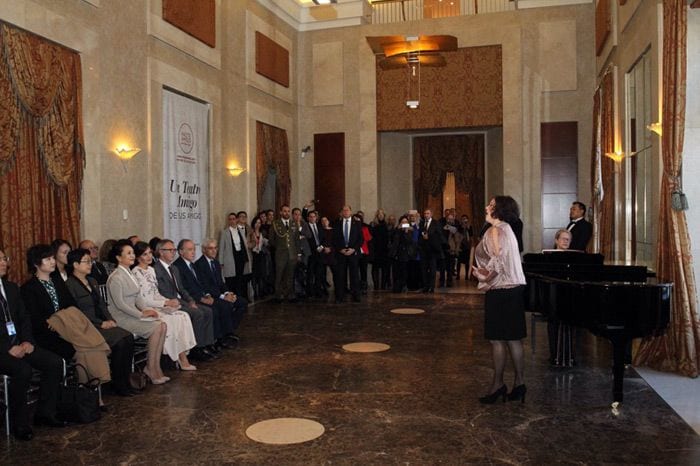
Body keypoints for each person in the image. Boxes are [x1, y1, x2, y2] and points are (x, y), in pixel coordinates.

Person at [0, 247, 66, 440]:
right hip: (3, 349)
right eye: (0, 259)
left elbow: (24, 317)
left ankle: (45, 413)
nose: (4, 262)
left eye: (5, 258)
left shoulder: (11, 288)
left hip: (21, 343)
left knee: (54, 363)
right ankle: (19, 423)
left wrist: (27, 340)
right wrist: (7, 348)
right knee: (23, 370)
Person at [472, 196, 527, 404]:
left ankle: (497, 385)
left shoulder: (494, 230)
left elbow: (497, 263)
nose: (487, 207)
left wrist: (483, 277)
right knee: (514, 339)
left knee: (497, 340)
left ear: (499, 210)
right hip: (514, 291)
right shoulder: (507, 229)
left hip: (500, 291)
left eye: (491, 205)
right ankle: (520, 384)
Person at [65, 248, 137, 396]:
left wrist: (110, 319)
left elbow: (102, 305)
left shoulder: (92, 281)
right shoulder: (69, 285)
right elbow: (76, 312)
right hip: (87, 327)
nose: (90, 264)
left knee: (128, 337)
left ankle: (125, 380)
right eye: (86, 262)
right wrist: (100, 324)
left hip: (102, 323)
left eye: (90, 261)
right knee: (121, 341)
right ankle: (118, 384)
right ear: (75, 264)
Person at [106, 240, 169, 384]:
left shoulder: (130, 273)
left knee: (163, 325)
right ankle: (150, 368)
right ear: (118, 257)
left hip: (133, 314)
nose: (132, 256)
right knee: (157, 327)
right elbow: (120, 305)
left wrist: (148, 310)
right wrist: (141, 314)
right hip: (121, 318)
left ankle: (155, 367)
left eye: (132, 253)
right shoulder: (116, 277)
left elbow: (138, 297)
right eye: (128, 253)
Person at [131, 242, 197, 370]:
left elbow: (156, 293)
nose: (149, 256)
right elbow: (144, 300)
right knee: (171, 320)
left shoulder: (151, 270)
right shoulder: (136, 273)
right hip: (147, 309)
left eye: (150, 253)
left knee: (182, 316)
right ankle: (178, 358)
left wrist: (169, 301)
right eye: (145, 254)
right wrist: (165, 303)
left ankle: (182, 356)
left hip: (158, 305)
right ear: (138, 257)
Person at [153, 239, 217, 361]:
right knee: (198, 313)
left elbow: (181, 289)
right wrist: (185, 303)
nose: (173, 253)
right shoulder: (157, 269)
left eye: (174, 250)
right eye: (170, 250)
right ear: (161, 252)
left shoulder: (174, 268)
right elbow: (164, 292)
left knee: (208, 311)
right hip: (169, 303)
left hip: (181, 300)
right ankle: (196, 349)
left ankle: (207, 344)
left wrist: (191, 300)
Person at [175, 239, 241, 350]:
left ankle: (220, 338)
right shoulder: (178, 266)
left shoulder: (191, 265)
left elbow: (201, 284)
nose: (193, 252)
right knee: (214, 309)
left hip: (202, 296)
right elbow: (184, 289)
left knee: (225, 305)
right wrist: (201, 298)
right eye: (190, 250)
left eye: (194, 249)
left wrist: (207, 294)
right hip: (191, 300)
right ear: (181, 252)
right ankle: (211, 342)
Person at [20, 244, 77, 361]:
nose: (53, 262)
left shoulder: (57, 281)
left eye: (53, 258)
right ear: (36, 263)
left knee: (89, 346)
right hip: (46, 334)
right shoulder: (29, 288)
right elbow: (34, 317)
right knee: (76, 349)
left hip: (67, 326)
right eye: (47, 259)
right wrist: (55, 323)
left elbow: (72, 304)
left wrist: (62, 319)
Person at [194, 238, 246, 341]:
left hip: (221, 294)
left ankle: (229, 330)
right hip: (210, 296)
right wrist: (223, 296)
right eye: (211, 248)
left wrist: (228, 293)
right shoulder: (199, 265)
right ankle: (224, 335)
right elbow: (205, 286)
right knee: (225, 305)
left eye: (215, 248)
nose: (214, 251)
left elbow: (221, 283)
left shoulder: (216, 263)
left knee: (242, 302)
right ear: (204, 250)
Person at [269, 205, 301, 303]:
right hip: (280, 253)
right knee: (279, 274)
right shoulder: (275, 224)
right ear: (281, 212)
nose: (286, 213)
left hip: (292, 253)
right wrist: (280, 248)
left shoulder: (294, 223)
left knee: (290, 274)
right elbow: (272, 240)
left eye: (288, 211)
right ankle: (278, 295)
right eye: (284, 211)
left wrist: (298, 253)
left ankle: (290, 294)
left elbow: (296, 240)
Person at [331, 205, 363, 303]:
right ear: (341, 212)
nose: (345, 212)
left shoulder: (357, 223)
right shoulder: (336, 223)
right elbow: (334, 239)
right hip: (340, 254)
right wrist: (340, 249)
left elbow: (360, 239)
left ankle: (356, 295)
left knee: (354, 276)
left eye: (347, 210)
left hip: (352, 253)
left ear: (351, 211)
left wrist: (353, 249)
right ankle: (339, 297)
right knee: (340, 276)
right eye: (343, 210)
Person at [218, 212, 252, 300]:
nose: (232, 221)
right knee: (231, 279)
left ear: (236, 220)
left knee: (241, 279)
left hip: (241, 258)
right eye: (230, 219)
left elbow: (244, 245)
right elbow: (221, 248)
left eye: (234, 219)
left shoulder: (240, 231)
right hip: (231, 259)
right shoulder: (224, 232)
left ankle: (241, 298)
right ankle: (232, 298)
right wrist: (220, 261)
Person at [419, 209, 443, 293]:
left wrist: (429, 237)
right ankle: (426, 286)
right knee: (424, 269)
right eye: (425, 213)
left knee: (432, 269)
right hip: (424, 250)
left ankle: (432, 287)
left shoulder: (436, 223)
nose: (426, 215)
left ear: (431, 214)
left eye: (428, 213)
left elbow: (439, 235)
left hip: (432, 250)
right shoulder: (422, 223)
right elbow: (420, 234)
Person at [389, 215, 412, 293]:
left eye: (406, 222)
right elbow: (394, 240)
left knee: (404, 271)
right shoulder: (396, 230)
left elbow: (408, 241)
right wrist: (398, 230)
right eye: (402, 222)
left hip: (404, 253)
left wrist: (406, 232)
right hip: (396, 253)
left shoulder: (409, 231)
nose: (404, 224)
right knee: (396, 271)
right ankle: (396, 286)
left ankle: (404, 285)